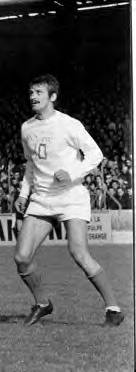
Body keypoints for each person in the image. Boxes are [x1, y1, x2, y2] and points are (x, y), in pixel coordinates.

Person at [14, 74, 123, 326]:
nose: (33, 96)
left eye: (39, 92)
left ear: (52, 96)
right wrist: (23, 194)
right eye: (31, 92)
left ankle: (114, 310)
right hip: (41, 199)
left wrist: (72, 174)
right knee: (21, 256)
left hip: (71, 197)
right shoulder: (27, 127)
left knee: (78, 252)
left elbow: (96, 154)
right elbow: (31, 164)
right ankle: (42, 304)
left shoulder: (69, 124)